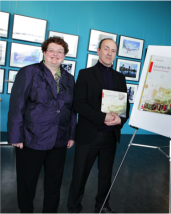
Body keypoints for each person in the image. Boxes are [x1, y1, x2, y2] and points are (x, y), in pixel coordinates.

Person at [7, 36, 76, 214]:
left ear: (64, 55)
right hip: (31, 138)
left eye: (60, 51)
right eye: (51, 50)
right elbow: (17, 105)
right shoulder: (28, 72)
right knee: (27, 182)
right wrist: (16, 136)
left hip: (59, 139)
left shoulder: (69, 79)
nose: (55, 54)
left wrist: (71, 134)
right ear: (44, 52)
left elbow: (71, 110)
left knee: (54, 183)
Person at [67, 38, 130, 214]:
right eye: (106, 49)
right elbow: (79, 104)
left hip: (110, 136)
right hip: (89, 135)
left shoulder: (120, 77)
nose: (110, 53)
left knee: (105, 177)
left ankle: (102, 207)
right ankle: (73, 208)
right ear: (98, 51)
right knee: (80, 174)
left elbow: (125, 105)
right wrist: (102, 117)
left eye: (113, 50)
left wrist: (121, 120)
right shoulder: (85, 74)